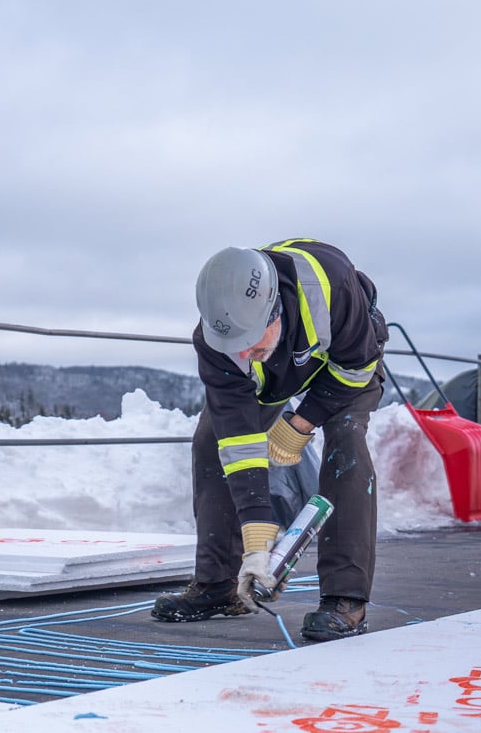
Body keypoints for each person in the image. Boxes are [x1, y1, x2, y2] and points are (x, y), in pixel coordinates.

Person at [152, 238, 387, 641]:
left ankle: (344, 600)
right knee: (211, 441)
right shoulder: (215, 339)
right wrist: (257, 540)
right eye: (235, 347)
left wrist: (302, 422)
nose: (244, 353)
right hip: (278, 377)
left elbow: (356, 369)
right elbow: (239, 443)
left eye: (252, 340)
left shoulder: (331, 286)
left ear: (275, 309)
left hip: (344, 371)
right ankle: (218, 586)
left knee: (345, 443)